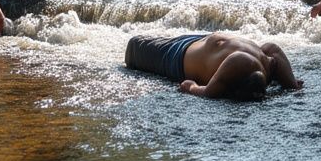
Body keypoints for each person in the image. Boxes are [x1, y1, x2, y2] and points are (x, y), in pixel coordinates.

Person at [124, 31, 302, 100]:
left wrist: (192, 87)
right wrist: (291, 84)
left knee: (134, 45)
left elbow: (207, 92)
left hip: (177, 55)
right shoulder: (264, 63)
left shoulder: (246, 62)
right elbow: (274, 50)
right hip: (197, 42)